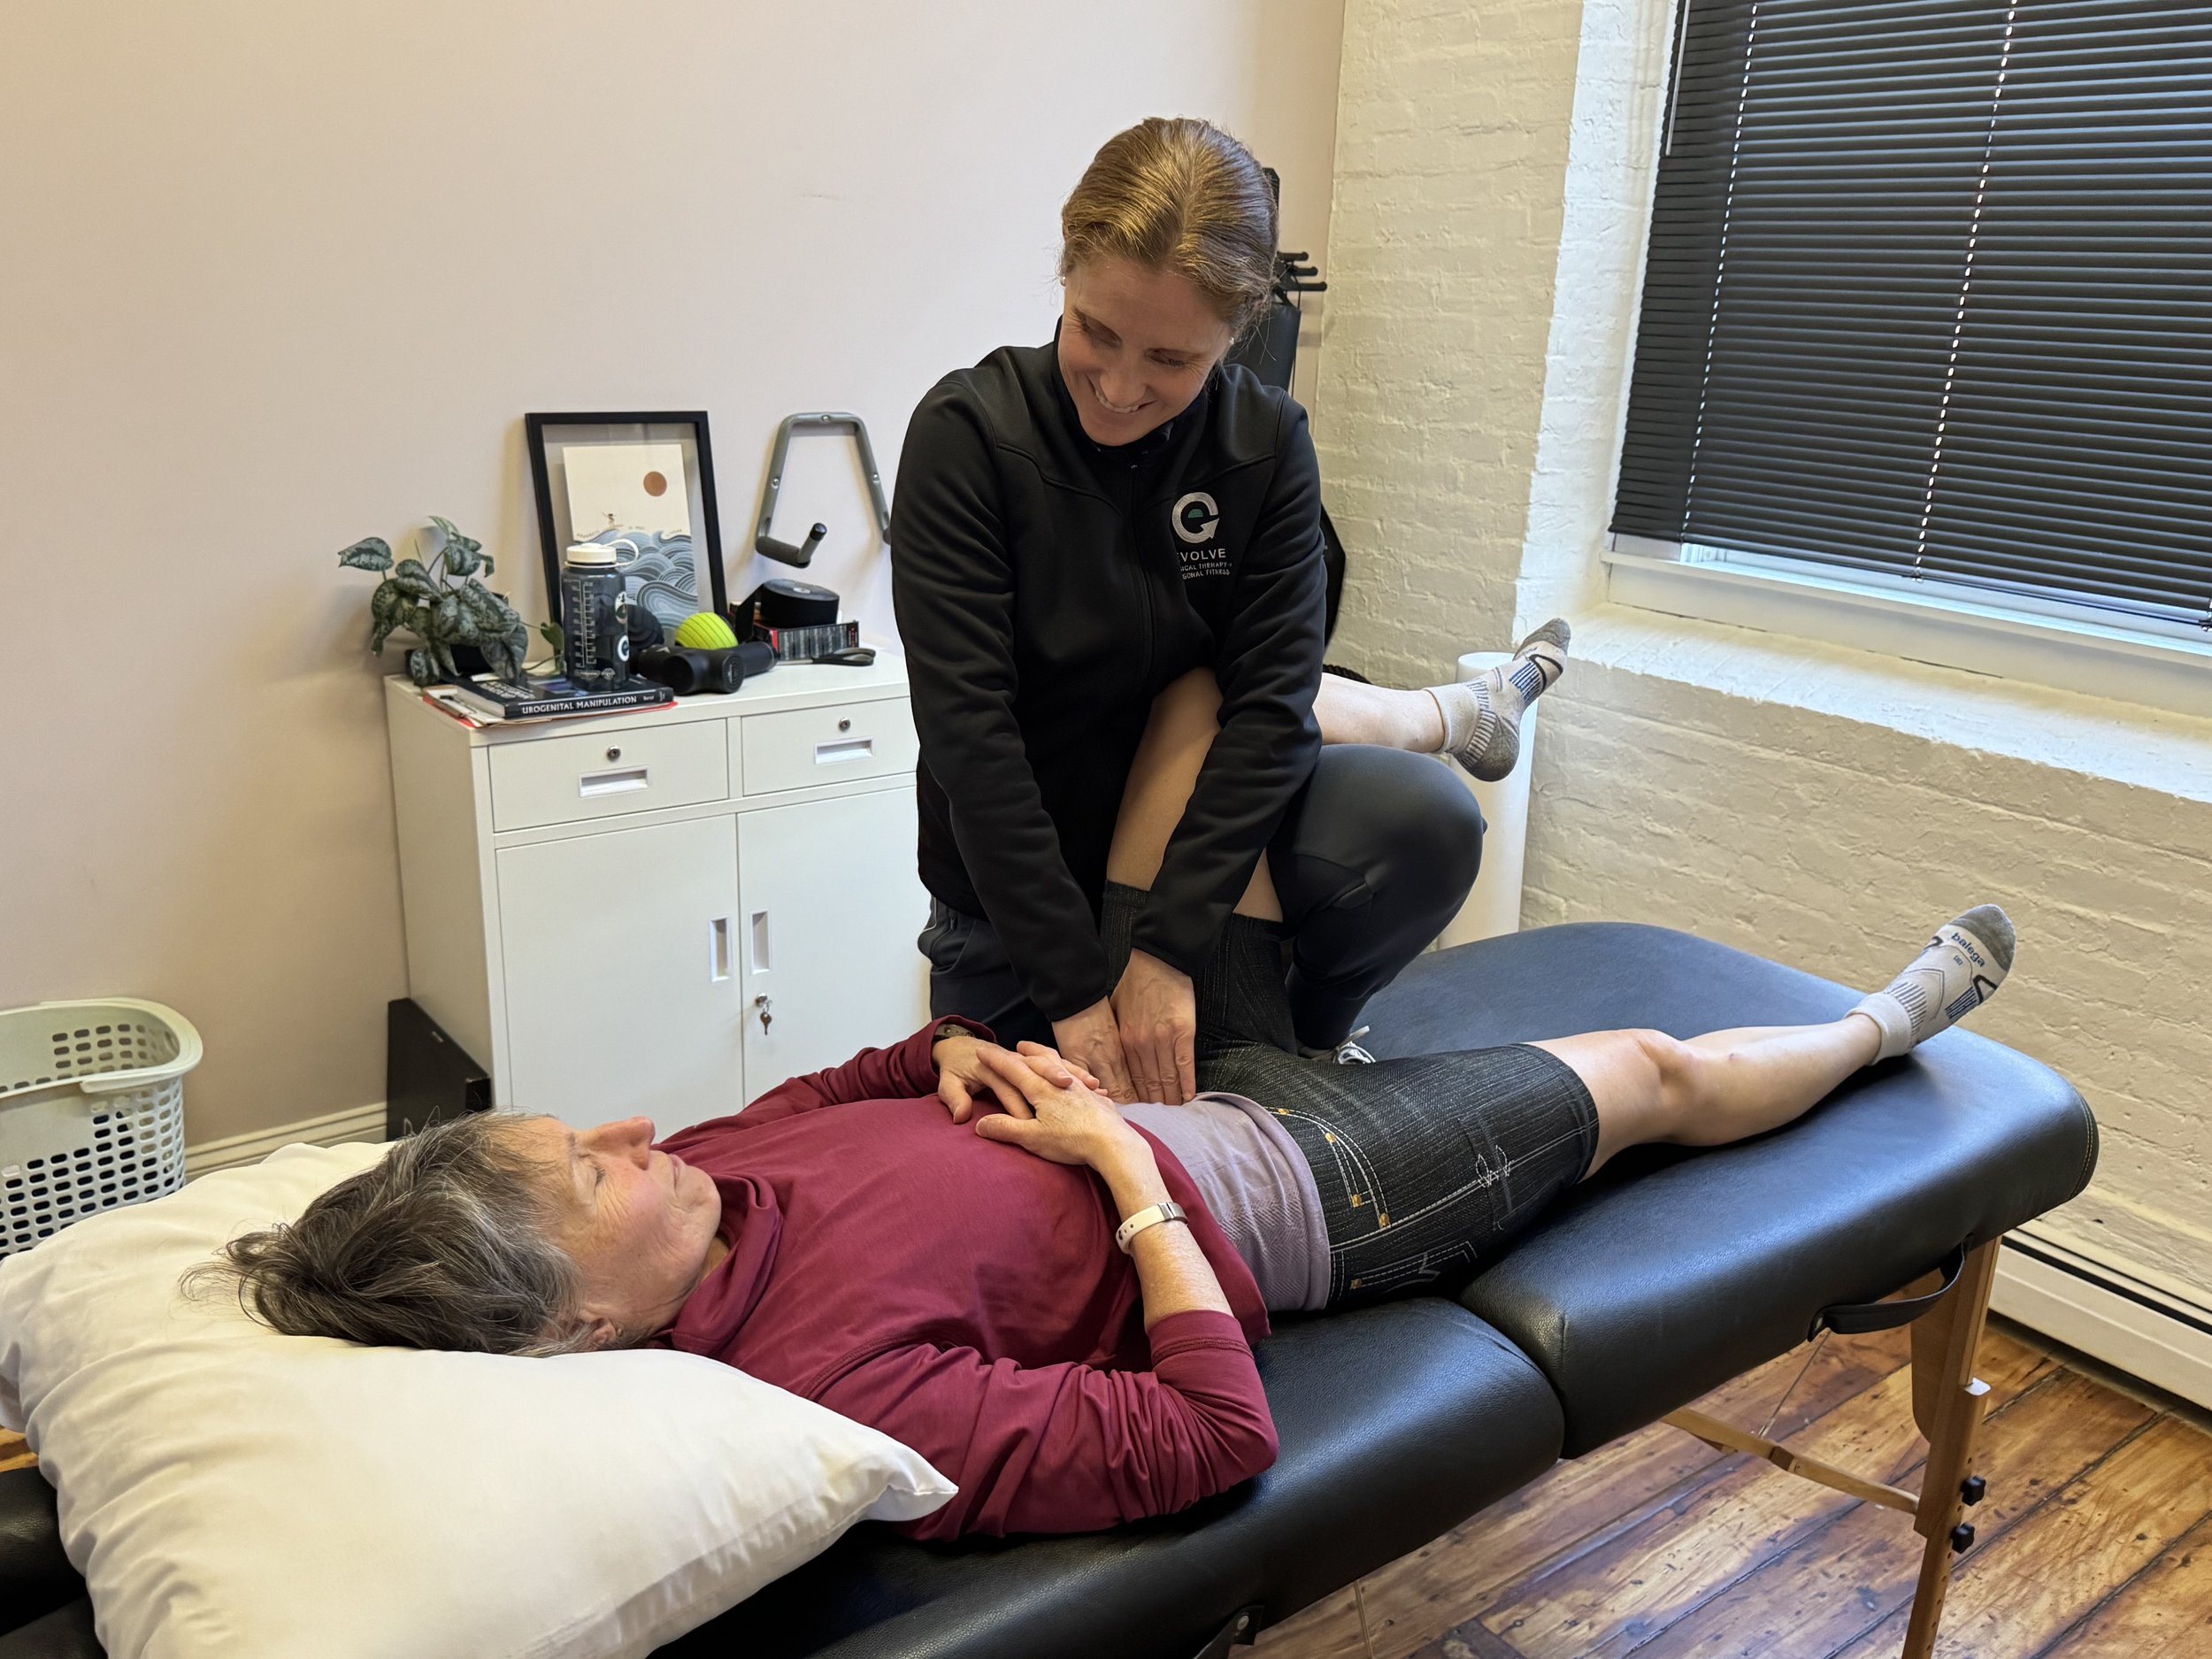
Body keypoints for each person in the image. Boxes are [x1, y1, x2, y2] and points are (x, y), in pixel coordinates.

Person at [197, 672, 2016, 1541]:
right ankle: (1876, 1027)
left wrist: (952, 1058)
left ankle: (1451, 712)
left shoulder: (708, 1173)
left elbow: (857, 1077)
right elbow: (1211, 1435)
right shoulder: (828, 1397)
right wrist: (1120, 1181)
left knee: (1192, 710)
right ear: (581, 1325)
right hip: (1308, 1189)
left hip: (1177, 1073)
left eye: (578, 1129)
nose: (623, 1134)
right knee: (1650, 1072)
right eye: (587, 1173)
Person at [892, 113, 1571, 1104]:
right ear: (1066, 274)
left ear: (1238, 328)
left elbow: (1270, 710)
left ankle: (1314, 1040)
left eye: (1170, 359)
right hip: (1013, 907)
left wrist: (1166, 948)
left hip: (1198, 868)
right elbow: (972, 740)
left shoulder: (1264, 443)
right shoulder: (969, 436)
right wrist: (1075, 992)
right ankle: (1454, 714)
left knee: (1428, 822)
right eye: (1095, 331)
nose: (1119, 387)